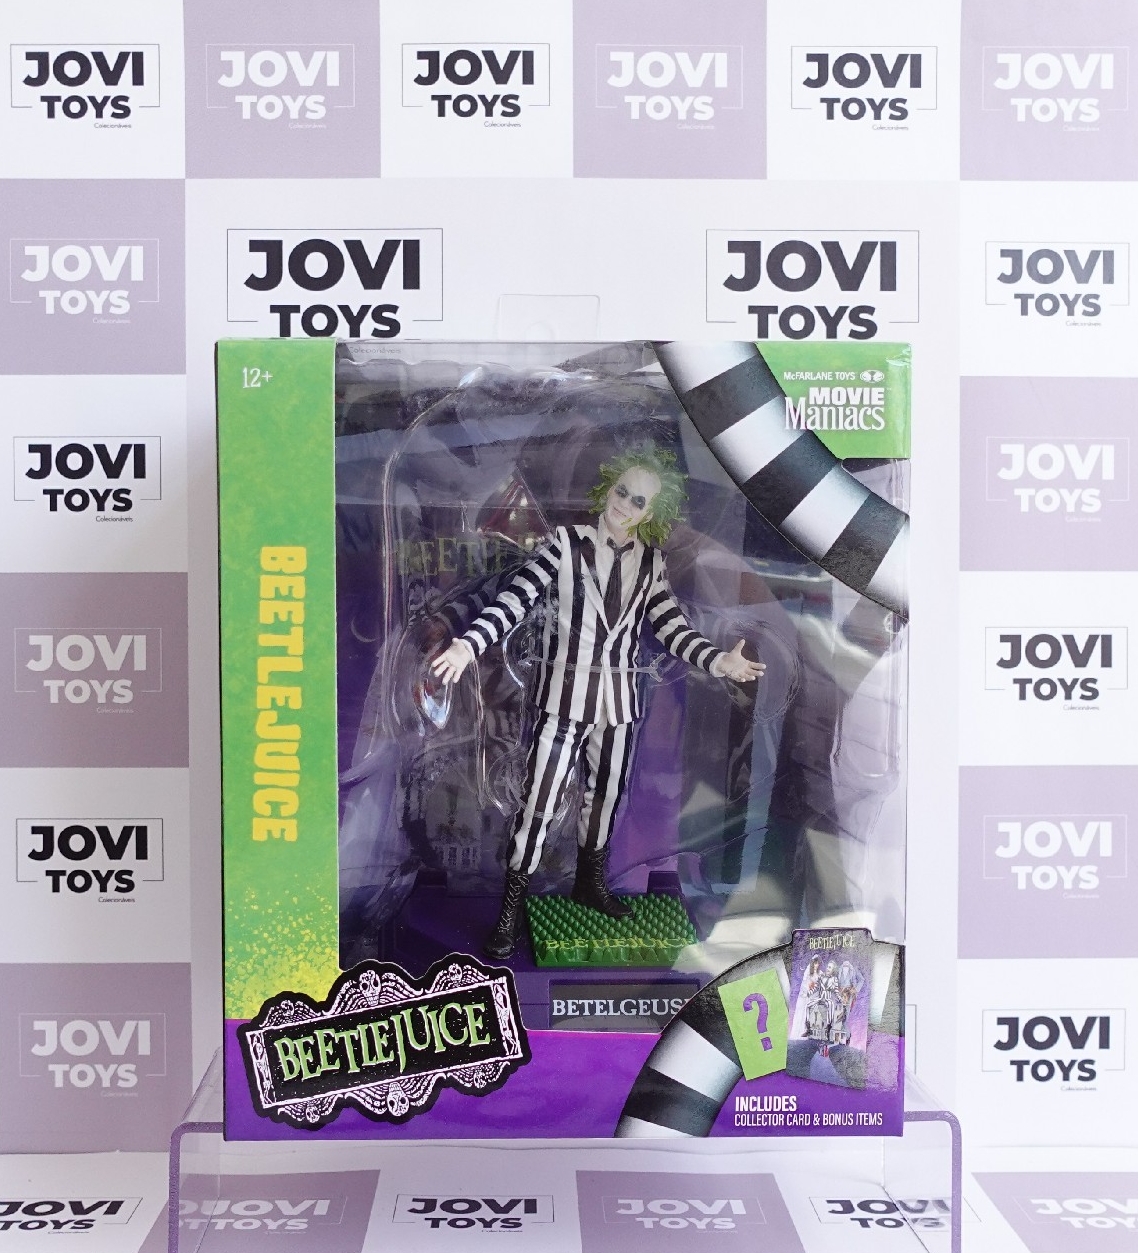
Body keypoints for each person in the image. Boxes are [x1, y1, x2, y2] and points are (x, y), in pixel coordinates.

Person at [431, 444, 764, 957]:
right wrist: (469, 644)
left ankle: (590, 882)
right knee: (539, 802)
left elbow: (671, 628)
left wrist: (719, 661)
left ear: (650, 513)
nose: (625, 504)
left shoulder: (651, 563)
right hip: (562, 699)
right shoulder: (565, 545)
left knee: (606, 797)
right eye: (621, 492)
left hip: (620, 704)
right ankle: (511, 907)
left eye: (638, 501)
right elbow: (515, 599)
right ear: (607, 489)